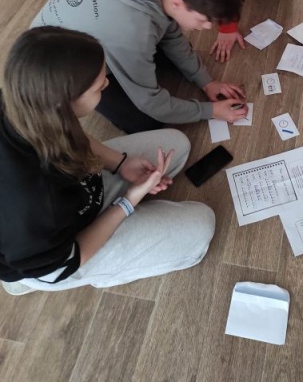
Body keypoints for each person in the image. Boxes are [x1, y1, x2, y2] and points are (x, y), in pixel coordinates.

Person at [0, 27, 215, 295]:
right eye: (98, 86)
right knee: (201, 225)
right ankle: (41, 278)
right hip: (62, 257)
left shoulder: (21, 100)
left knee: (177, 143)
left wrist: (120, 163)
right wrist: (128, 201)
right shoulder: (35, 205)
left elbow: (69, 133)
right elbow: (72, 256)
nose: (106, 85)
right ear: (62, 105)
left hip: (69, 201)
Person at [31, 0, 248, 134]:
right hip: (60, 67)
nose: (208, 27)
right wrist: (211, 111)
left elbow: (171, 33)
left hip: (91, 29)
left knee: (165, 53)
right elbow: (152, 103)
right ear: (177, 2)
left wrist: (206, 82)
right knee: (145, 122)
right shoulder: (133, 34)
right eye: (203, 19)